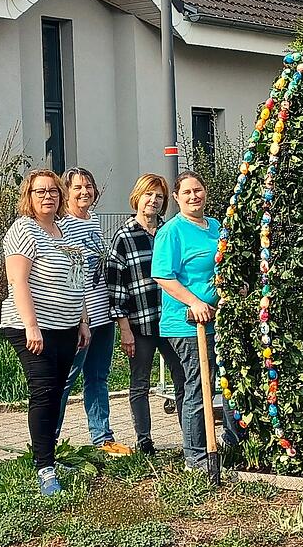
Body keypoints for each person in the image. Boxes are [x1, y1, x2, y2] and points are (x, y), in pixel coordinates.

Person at [0, 169, 90, 496]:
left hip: (66, 327)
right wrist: (32, 326)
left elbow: (76, 279)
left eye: (53, 190)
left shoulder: (65, 229)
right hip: (31, 328)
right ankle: (44, 468)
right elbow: (18, 281)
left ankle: (49, 454)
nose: (48, 196)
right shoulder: (23, 230)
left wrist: (82, 320)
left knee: (58, 392)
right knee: (45, 391)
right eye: (40, 191)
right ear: (29, 196)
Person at [152, 171, 238, 470]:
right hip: (188, 323)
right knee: (199, 386)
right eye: (186, 192)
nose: (193, 196)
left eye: (198, 190)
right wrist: (195, 301)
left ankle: (232, 441)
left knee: (229, 383)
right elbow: (163, 275)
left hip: (220, 320)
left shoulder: (215, 227)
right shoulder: (172, 232)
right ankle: (197, 456)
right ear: (176, 197)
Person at [55, 167, 132, 456]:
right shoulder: (64, 225)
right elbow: (73, 277)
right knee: (66, 378)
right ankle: (49, 441)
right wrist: (80, 319)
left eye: (89, 186)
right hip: (80, 318)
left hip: (104, 315)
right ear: (67, 192)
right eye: (77, 187)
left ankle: (103, 437)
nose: (85, 191)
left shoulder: (94, 221)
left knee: (98, 378)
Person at [107, 173, 186, 455]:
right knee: (139, 382)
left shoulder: (168, 232)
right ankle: (144, 439)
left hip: (170, 320)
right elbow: (116, 287)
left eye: (159, 196)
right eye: (148, 195)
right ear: (137, 198)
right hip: (140, 322)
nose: (153, 201)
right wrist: (124, 329)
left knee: (183, 377)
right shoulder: (124, 236)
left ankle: (189, 435)